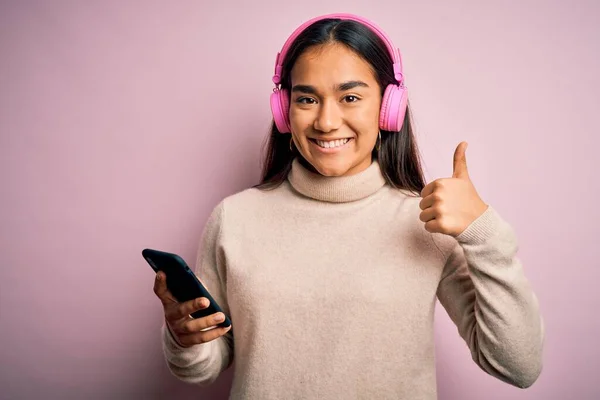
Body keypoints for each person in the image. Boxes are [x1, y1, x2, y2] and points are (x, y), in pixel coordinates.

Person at [152, 13, 545, 399]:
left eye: (350, 97)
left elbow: (518, 367)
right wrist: (184, 337)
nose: (326, 121)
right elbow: (203, 368)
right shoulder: (234, 218)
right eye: (307, 98)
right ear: (284, 111)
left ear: (389, 107)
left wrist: (484, 231)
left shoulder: (426, 221)